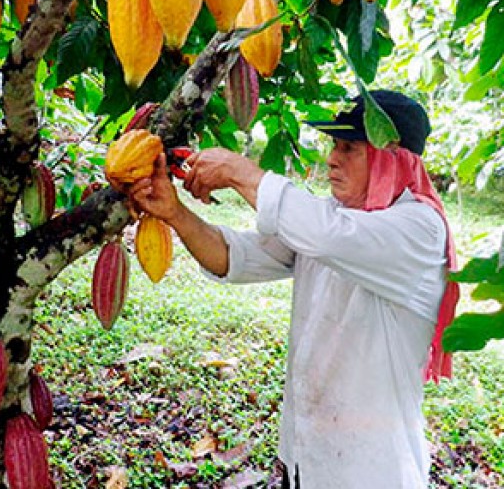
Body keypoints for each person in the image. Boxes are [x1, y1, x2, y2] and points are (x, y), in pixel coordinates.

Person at [125, 90, 458, 489]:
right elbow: (235, 257)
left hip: (370, 472)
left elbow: (326, 237)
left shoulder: (420, 229)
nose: (332, 159)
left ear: (391, 157)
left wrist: (238, 172)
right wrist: (175, 213)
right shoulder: (334, 217)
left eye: (348, 147)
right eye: (334, 145)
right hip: (306, 458)